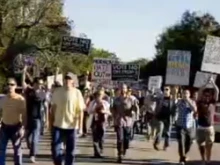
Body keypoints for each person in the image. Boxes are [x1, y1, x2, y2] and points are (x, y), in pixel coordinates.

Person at [50, 72, 85, 165]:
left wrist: (81, 127)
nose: (67, 81)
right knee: (55, 149)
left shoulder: (77, 93)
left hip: (72, 126)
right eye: (65, 79)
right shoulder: (57, 92)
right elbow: (52, 109)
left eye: (69, 79)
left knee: (71, 151)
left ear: (73, 81)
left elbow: (80, 111)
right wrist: (50, 124)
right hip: (58, 125)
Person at [22, 66, 46, 163]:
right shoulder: (29, 91)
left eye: (41, 84)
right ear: (34, 83)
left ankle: (32, 155)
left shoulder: (42, 93)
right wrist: (24, 71)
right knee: (27, 137)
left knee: (35, 138)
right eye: (38, 84)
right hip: (28, 118)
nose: (40, 85)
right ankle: (31, 147)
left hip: (37, 119)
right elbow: (23, 83)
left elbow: (45, 105)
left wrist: (46, 120)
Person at [0, 78, 26, 165]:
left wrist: (23, 127)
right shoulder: (3, 99)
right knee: (1, 150)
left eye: (12, 84)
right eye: (8, 84)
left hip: (16, 128)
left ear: (15, 86)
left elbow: (24, 115)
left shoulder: (20, 99)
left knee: (17, 151)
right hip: (4, 127)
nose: (10, 86)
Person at [112, 84, 138, 163]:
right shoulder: (116, 100)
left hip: (128, 121)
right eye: (121, 88)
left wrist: (133, 112)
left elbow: (135, 108)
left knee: (126, 139)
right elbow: (113, 109)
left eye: (124, 88)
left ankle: (125, 148)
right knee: (120, 139)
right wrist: (114, 116)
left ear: (126, 89)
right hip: (119, 121)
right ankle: (119, 154)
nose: (123, 90)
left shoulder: (131, 99)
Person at [196, 77, 219, 165]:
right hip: (200, 128)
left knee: (209, 146)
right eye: (205, 95)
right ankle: (203, 159)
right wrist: (206, 83)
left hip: (209, 128)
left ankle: (208, 160)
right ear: (203, 96)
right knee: (201, 146)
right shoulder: (199, 102)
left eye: (208, 96)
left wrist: (213, 83)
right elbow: (200, 91)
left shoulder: (212, 103)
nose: (206, 97)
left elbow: (217, 91)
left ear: (210, 97)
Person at [175, 89, 197, 165]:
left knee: (189, 142)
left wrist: (188, 101)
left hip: (189, 126)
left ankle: (184, 155)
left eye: (187, 93)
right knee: (181, 142)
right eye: (184, 93)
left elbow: (194, 109)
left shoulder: (192, 102)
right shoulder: (179, 102)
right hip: (180, 125)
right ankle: (182, 159)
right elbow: (175, 106)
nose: (185, 95)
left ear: (189, 95)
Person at [87, 90, 110, 158]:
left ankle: (101, 147)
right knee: (95, 137)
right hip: (94, 121)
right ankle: (96, 152)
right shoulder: (92, 103)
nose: (98, 97)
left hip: (102, 122)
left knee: (101, 136)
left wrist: (104, 111)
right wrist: (93, 111)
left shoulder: (105, 103)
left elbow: (109, 112)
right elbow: (88, 111)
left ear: (102, 96)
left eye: (100, 96)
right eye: (97, 96)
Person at [154, 86, 176, 151]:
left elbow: (175, 109)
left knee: (167, 133)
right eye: (164, 89)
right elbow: (153, 99)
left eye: (167, 89)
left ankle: (166, 145)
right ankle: (157, 143)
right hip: (161, 118)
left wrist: (174, 118)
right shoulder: (160, 98)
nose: (165, 91)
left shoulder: (172, 99)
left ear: (169, 91)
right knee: (160, 130)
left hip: (169, 118)